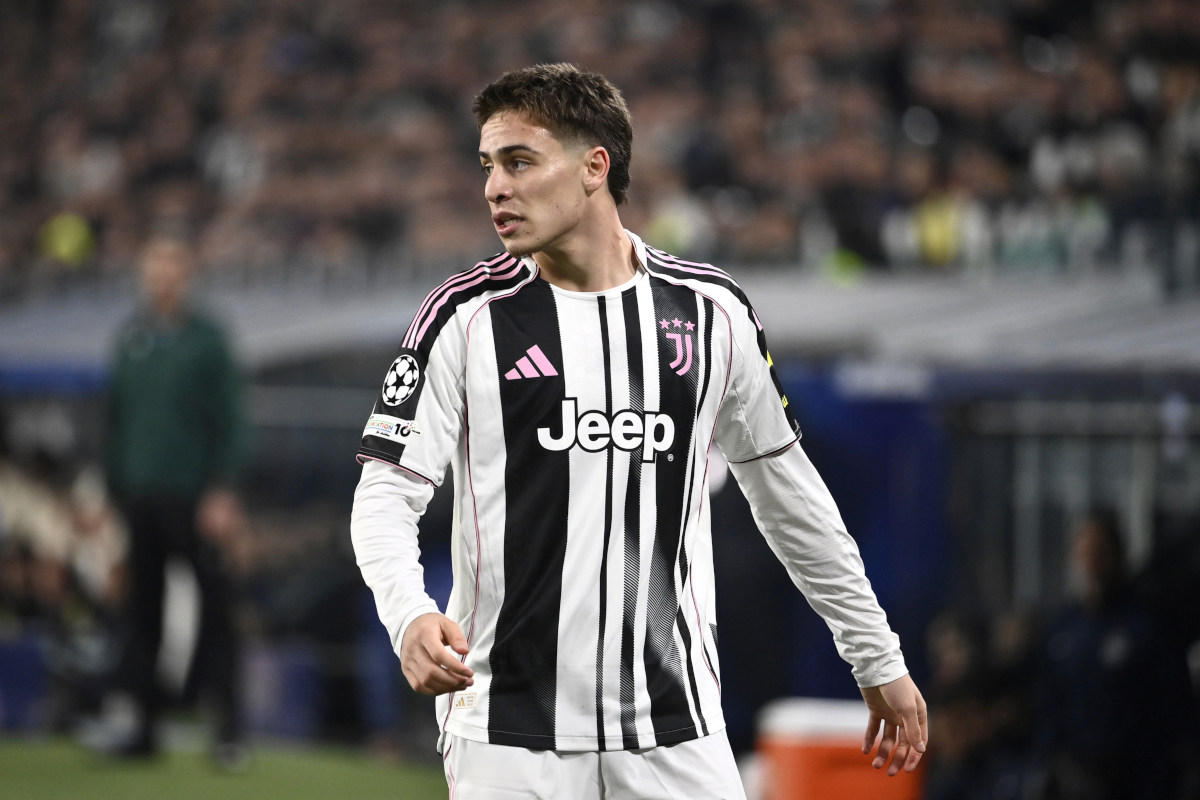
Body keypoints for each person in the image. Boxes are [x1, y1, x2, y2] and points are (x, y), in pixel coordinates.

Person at [350, 64, 927, 798]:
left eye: (520, 161)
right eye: (488, 165)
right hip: (508, 732)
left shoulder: (710, 313)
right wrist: (408, 614)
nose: (495, 187)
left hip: (675, 726)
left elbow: (793, 502)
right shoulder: (462, 319)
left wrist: (876, 655)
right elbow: (384, 495)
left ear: (595, 167)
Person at [105, 236, 249, 765]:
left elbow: (230, 419)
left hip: (194, 496)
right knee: (141, 613)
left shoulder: (208, 340)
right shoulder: (130, 337)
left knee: (216, 611)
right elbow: (116, 419)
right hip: (140, 497)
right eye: (155, 264)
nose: (163, 275)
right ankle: (143, 728)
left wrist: (223, 489)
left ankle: (227, 731)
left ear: (187, 274)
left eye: (172, 264)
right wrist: (112, 489)